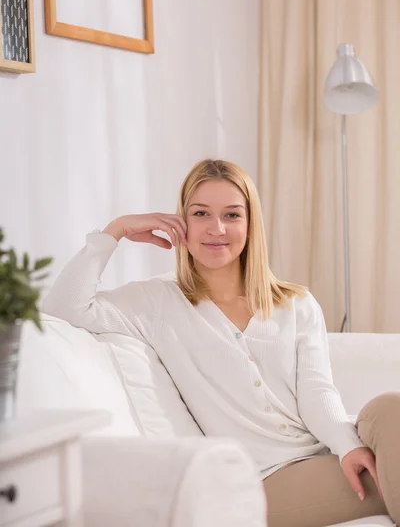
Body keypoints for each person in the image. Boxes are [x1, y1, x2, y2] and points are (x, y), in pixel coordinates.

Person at [42, 158, 399, 527]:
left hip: (325, 451)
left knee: (392, 406)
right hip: (262, 480)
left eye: (231, 215)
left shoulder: (296, 303)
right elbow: (62, 308)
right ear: (182, 222)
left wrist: (349, 446)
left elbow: (316, 391)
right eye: (200, 213)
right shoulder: (158, 303)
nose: (216, 228)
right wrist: (114, 232)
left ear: (250, 224)